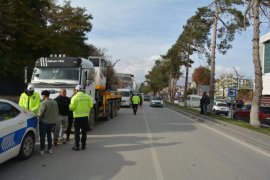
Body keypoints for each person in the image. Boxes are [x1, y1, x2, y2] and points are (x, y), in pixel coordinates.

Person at [69, 85, 93, 151]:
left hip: (77, 117)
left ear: (76, 90)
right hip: (85, 117)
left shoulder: (74, 97)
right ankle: (83, 146)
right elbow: (91, 106)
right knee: (84, 132)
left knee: (77, 132)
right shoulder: (87, 96)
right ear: (82, 90)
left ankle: (77, 146)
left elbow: (72, 108)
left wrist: (70, 106)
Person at [39, 90, 59, 155]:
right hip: (52, 122)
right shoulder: (54, 102)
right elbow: (57, 112)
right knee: (49, 136)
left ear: (44, 95)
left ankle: (42, 150)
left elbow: (41, 113)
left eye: (42, 95)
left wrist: (38, 117)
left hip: (44, 122)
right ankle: (50, 149)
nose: (42, 96)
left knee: (42, 136)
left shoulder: (44, 103)